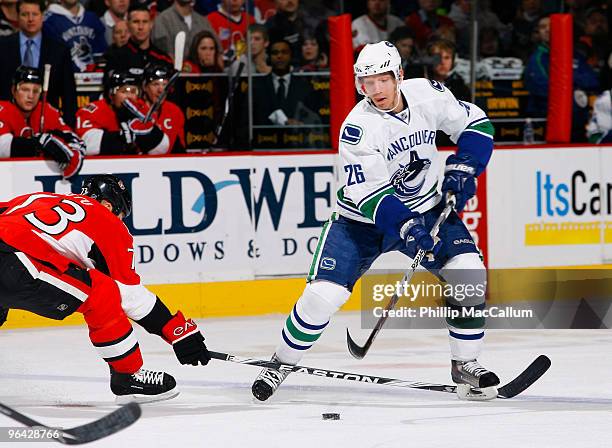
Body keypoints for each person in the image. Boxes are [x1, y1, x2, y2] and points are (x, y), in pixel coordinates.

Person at [251, 40, 497, 402]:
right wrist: (407, 227)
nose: (375, 89)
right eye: (367, 82)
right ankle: (280, 363)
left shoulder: (428, 94)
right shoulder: (358, 128)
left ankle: (465, 364)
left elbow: (475, 123)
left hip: (427, 209)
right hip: (360, 222)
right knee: (323, 296)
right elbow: (371, 195)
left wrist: (466, 165)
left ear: (399, 75)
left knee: (469, 273)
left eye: (382, 79)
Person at [0, 174, 211, 402]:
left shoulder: (41, 198)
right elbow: (130, 295)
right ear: (109, 205)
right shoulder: (107, 220)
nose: (120, 220)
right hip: (15, 266)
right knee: (103, 292)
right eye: (120, 214)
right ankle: (128, 377)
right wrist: (178, 332)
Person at [0, 0, 77, 126]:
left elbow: (69, 95)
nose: (30, 19)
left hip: (47, 122)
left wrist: (68, 127)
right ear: (18, 16)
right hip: (7, 123)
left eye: (35, 14)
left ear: (42, 16)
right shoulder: (2, 47)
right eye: (25, 14)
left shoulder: (59, 50)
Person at [0, 66, 84, 179]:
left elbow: (72, 138)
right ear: (13, 90)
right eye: (25, 89)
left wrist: (73, 148)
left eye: (36, 90)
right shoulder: (2, 110)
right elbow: (3, 147)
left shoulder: (46, 110)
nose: (30, 96)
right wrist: (38, 144)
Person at [76, 70, 170, 155]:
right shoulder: (92, 111)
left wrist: (147, 133)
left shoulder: (141, 109)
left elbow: (162, 148)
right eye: (124, 91)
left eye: (133, 91)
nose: (129, 96)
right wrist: (120, 138)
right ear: (111, 94)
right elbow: (86, 145)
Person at [252, 39, 317, 126]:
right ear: (269, 57)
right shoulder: (257, 86)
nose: (279, 56)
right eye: (275, 53)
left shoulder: (305, 86)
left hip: (296, 137)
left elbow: (314, 119)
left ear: (291, 56)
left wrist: (302, 124)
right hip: (264, 137)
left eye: (284, 52)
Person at [104, 3, 173, 76]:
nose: (140, 27)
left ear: (151, 24)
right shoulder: (116, 58)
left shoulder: (163, 59)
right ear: (128, 25)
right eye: (136, 22)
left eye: (145, 22)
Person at [43, 0, 108, 72]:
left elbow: (101, 52)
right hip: (65, 76)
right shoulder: (50, 21)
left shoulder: (92, 18)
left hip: (93, 77)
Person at [151, 0, 217, 61]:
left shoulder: (203, 22)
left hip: (202, 72)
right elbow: (163, 54)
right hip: (174, 71)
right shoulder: (162, 20)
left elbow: (218, 54)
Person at [141, 63, 185, 152]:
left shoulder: (174, 111)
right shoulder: (135, 110)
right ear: (145, 87)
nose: (161, 90)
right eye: (155, 84)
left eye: (164, 84)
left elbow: (180, 150)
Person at [206, 0, 255, 65]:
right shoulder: (210, 20)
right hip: (219, 70)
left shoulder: (251, 20)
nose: (234, 1)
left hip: (246, 68)